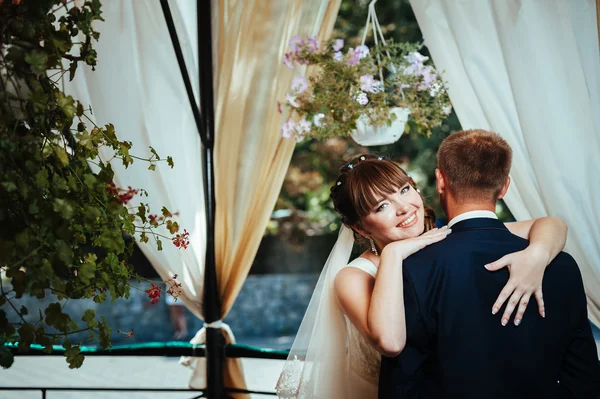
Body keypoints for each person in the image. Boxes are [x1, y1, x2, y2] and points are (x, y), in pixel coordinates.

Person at [276, 151, 568, 399]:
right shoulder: (353, 278)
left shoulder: (450, 236)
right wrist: (393, 254)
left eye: (404, 190)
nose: (404, 208)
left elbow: (551, 224)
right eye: (382, 206)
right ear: (362, 229)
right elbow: (390, 343)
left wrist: (536, 256)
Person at [378, 129, 600, 398]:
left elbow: (403, 383)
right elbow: (583, 376)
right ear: (505, 186)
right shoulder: (562, 265)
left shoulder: (414, 268)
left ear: (440, 180)